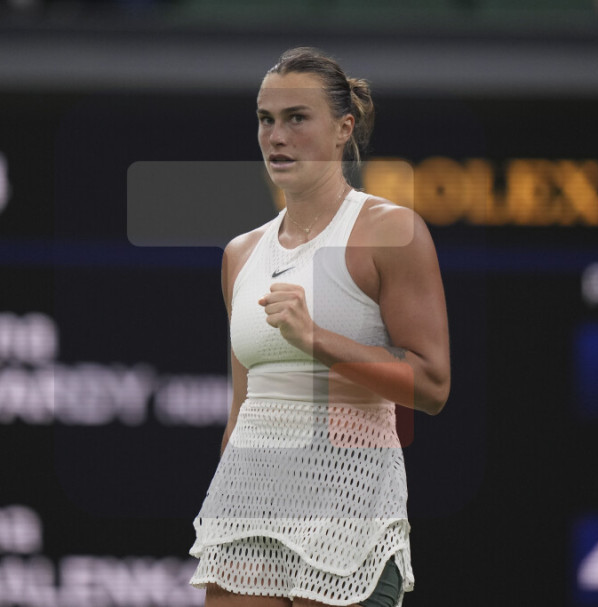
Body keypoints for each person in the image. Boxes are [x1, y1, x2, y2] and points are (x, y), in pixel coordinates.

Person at [189, 47, 450, 607]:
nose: (276, 137)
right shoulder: (241, 254)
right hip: (246, 505)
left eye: (296, 118)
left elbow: (431, 386)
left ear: (343, 129)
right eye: (266, 120)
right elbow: (242, 409)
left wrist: (316, 340)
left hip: (349, 509)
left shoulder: (391, 231)